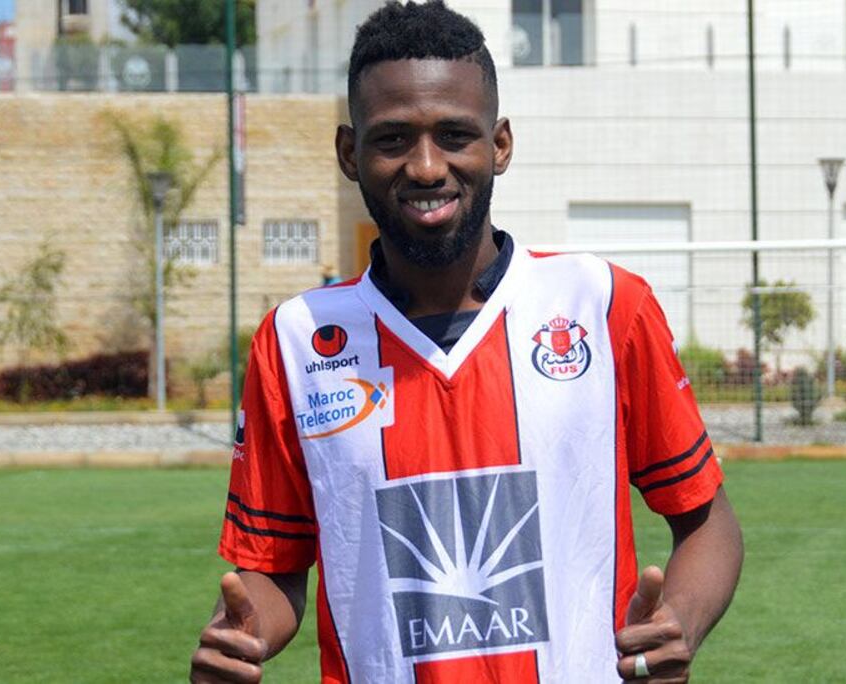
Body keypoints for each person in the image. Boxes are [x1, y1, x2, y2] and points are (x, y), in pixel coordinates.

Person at [191, 1, 743, 681]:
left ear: (500, 145)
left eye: (455, 135)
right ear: (349, 153)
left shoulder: (601, 305)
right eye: (393, 139)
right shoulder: (296, 343)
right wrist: (241, 636)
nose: (426, 167)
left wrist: (677, 621)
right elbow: (273, 567)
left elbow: (707, 521)